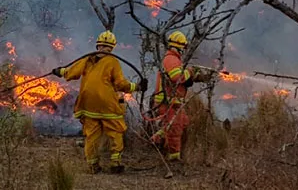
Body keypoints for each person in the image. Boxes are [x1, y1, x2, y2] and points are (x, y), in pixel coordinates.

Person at [52, 30, 147, 174]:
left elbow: (72, 72)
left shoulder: (87, 59)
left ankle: (93, 166)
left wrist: (60, 71)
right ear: (112, 47)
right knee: (115, 131)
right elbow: (121, 84)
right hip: (107, 104)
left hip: (87, 104)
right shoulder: (112, 61)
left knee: (92, 135)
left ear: (98, 45)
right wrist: (137, 87)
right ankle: (115, 163)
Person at [150, 30, 212, 166]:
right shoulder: (171, 59)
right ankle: (174, 158)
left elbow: (181, 79)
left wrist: (199, 77)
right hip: (169, 101)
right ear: (179, 46)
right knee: (175, 129)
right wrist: (190, 72)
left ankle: (158, 137)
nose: (184, 50)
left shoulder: (174, 59)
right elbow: (177, 77)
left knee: (183, 122)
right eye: (183, 47)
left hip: (174, 101)